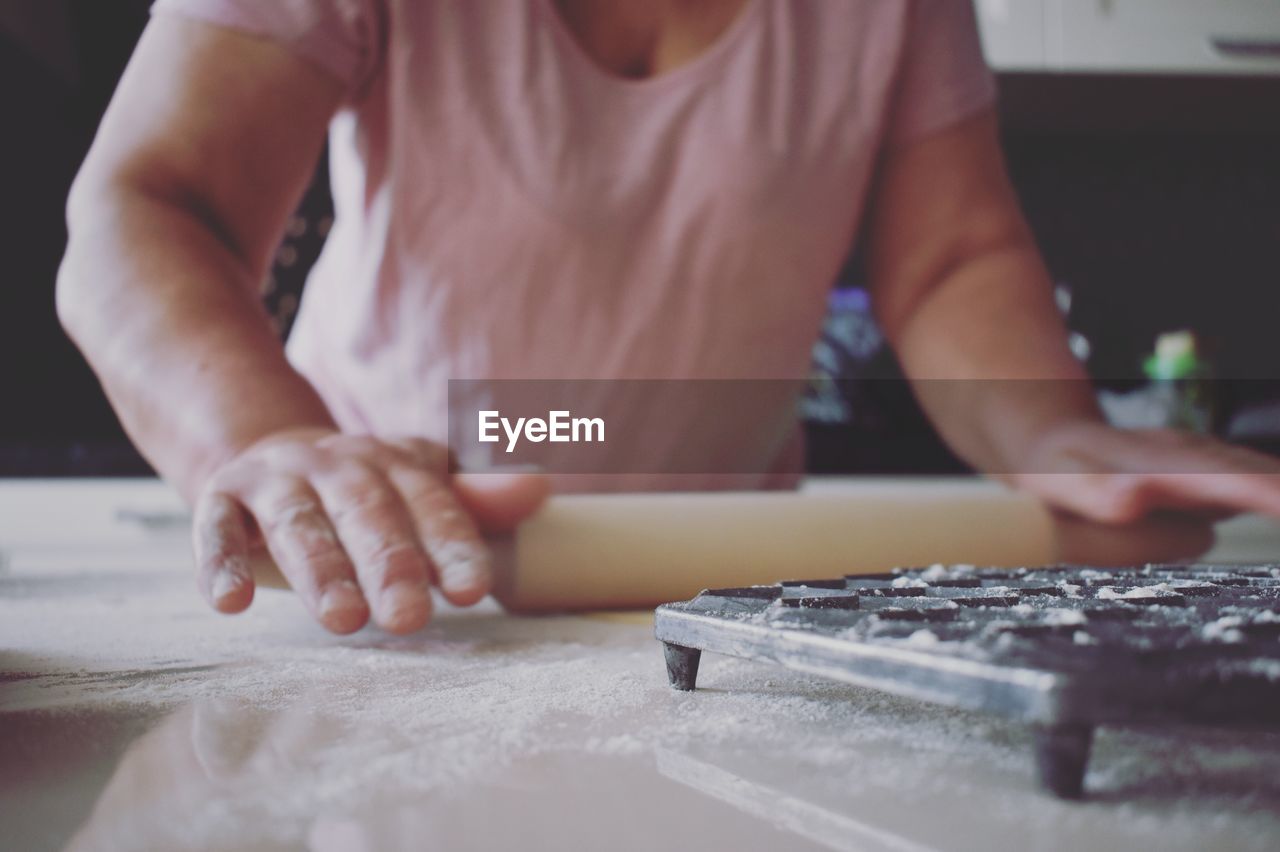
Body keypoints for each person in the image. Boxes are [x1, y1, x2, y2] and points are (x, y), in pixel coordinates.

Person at [57, 0, 1280, 636]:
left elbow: (948, 259)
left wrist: (1050, 433)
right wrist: (264, 442)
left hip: (715, 582)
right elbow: (151, 207)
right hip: (397, 569)